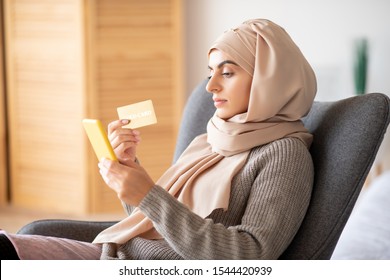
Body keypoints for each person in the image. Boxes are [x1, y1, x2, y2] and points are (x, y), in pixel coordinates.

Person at [0, 18, 317, 260]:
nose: (211, 87)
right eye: (211, 72)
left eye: (228, 72)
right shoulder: (213, 138)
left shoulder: (284, 153)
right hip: (118, 257)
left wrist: (146, 194)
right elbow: (153, 224)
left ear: (268, 79)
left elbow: (249, 256)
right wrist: (131, 173)